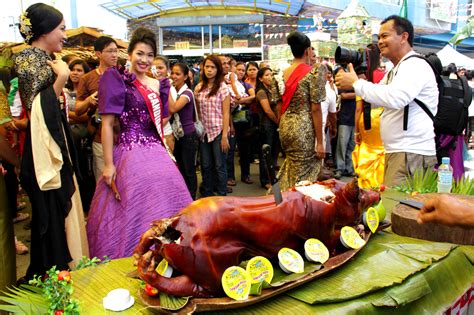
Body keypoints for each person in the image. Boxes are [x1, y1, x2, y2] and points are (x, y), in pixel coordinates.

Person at [86, 28, 192, 259]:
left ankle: (170, 256)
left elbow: (163, 116)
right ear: (130, 54)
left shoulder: (157, 84)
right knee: (135, 209)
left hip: (156, 151)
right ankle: (137, 256)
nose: (144, 60)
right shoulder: (117, 79)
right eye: (140, 53)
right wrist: (108, 164)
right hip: (129, 152)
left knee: (168, 200)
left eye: (150, 55)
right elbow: (107, 124)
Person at [14, 3, 88, 278]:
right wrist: (63, 78)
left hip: (56, 142)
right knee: (53, 212)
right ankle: (57, 274)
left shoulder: (47, 58)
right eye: (61, 29)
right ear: (44, 30)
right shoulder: (28, 59)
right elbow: (37, 112)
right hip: (43, 149)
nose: (65, 35)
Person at [335, 15, 438, 187]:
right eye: (379, 37)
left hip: (410, 153)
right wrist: (359, 79)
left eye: (385, 36)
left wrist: (356, 83)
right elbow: (376, 99)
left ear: (404, 37)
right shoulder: (396, 69)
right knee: (392, 206)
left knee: (397, 208)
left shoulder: (414, 65)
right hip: (398, 151)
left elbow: (396, 98)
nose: (380, 42)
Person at [278, 31, 326, 191]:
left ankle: (281, 202)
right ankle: (293, 210)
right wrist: (320, 142)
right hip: (303, 130)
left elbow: (278, 105)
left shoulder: (280, 74)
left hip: (285, 127)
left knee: (291, 169)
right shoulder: (314, 72)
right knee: (303, 178)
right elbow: (316, 108)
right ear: (307, 51)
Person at [75, 36, 118, 182]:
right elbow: (78, 109)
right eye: (110, 51)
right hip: (99, 138)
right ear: (98, 54)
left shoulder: (123, 76)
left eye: (116, 51)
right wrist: (89, 101)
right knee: (104, 183)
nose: (114, 55)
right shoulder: (87, 79)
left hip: (123, 139)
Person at [195, 54, 231, 197]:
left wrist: (224, 136)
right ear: (203, 68)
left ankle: (222, 196)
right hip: (203, 132)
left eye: (213, 67)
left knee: (220, 166)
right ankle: (207, 195)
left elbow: (226, 113)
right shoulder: (199, 88)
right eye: (207, 67)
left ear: (218, 69)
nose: (209, 70)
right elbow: (197, 112)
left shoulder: (223, 88)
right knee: (205, 165)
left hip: (218, 131)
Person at [64, 59, 95, 212]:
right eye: (73, 69)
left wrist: (67, 114)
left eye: (79, 70)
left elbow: (86, 116)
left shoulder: (88, 92)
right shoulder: (63, 90)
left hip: (84, 135)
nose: (75, 73)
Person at [352, 45, 385, 188]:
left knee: (367, 149)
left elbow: (358, 109)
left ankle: (366, 186)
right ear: (380, 57)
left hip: (366, 120)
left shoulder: (362, 78)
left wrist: (356, 131)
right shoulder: (385, 76)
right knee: (381, 152)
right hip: (382, 119)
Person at [169, 63, 198, 200]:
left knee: (189, 169)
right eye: (172, 73)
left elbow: (174, 108)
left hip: (188, 136)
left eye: (178, 74)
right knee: (180, 168)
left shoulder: (187, 93)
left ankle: (191, 198)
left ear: (186, 77)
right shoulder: (175, 91)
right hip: (178, 136)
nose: (174, 76)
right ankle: (184, 197)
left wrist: (167, 88)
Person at [256, 67, 281, 189]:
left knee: (274, 151)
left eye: (271, 74)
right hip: (266, 125)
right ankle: (265, 180)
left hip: (274, 125)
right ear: (260, 78)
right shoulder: (261, 92)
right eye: (266, 75)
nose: (270, 77)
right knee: (266, 153)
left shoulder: (272, 90)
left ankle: (272, 178)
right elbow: (267, 110)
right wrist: (278, 122)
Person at [233, 62, 256, 185]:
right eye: (238, 70)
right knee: (230, 151)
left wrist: (240, 100)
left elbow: (253, 97)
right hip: (231, 120)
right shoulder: (229, 85)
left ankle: (245, 175)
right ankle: (229, 176)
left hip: (245, 121)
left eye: (243, 70)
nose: (241, 72)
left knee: (244, 150)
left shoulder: (247, 85)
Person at [150, 56, 173, 152]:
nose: (157, 71)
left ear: (167, 70)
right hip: (150, 134)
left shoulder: (169, 88)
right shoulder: (149, 85)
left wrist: (153, 128)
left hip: (164, 133)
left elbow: (170, 113)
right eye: (154, 68)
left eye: (160, 68)